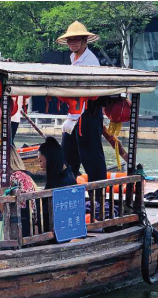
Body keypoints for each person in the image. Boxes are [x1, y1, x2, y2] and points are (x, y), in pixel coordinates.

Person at [57, 21, 107, 190]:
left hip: (88, 113)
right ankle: (69, 190)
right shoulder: (74, 58)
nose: (72, 42)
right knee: (67, 155)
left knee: (92, 157)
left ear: (85, 40)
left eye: (76, 39)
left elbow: (84, 93)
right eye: (70, 40)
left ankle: (99, 198)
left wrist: (72, 118)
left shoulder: (90, 61)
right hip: (76, 112)